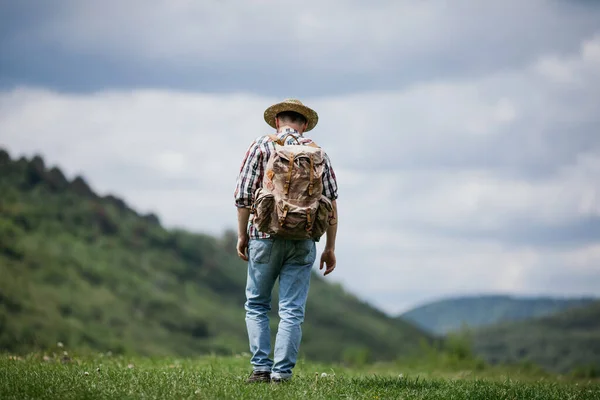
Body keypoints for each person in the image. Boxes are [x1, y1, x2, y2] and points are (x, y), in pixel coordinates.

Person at [233, 99, 339, 383]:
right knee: (291, 310)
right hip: (304, 239)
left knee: (257, 305)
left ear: (277, 121)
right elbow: (331, 205)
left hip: (264, 236)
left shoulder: (260, 146)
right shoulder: (317, 153)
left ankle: (260, 370)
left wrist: (243, 235)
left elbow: (243, 196)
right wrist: (329, 247)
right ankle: (282, 375)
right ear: (304, 124)